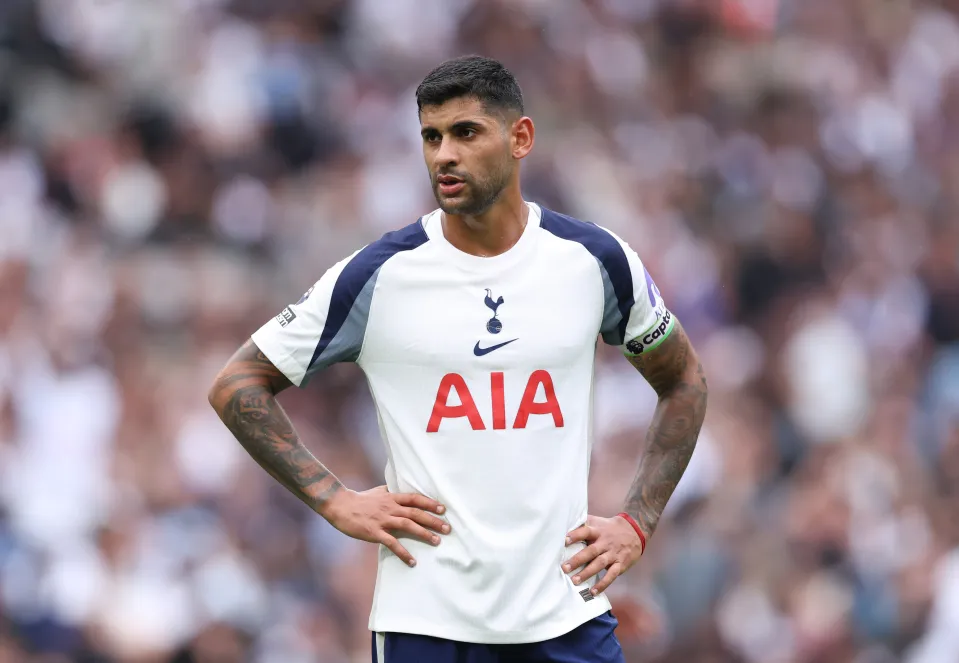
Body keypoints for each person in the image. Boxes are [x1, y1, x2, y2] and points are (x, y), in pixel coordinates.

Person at [208, 55, 708, 663]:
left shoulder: (593, 260)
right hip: (427, 622)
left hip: (565, 612)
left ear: (520, 138)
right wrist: (334, 499)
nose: (444, 154)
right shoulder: (380, 275)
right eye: (431, 137)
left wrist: (637, 522)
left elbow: (683, 379)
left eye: (466, 132)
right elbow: (238, 384)